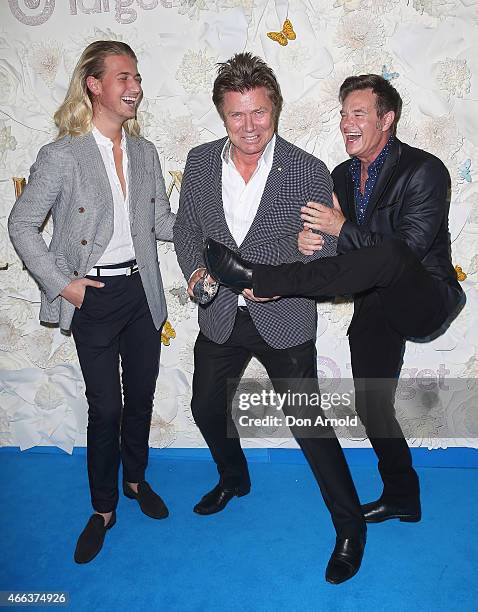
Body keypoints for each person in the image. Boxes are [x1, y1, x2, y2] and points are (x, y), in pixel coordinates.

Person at [204, 74, 464, 527]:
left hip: (425, 293)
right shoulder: (341, 175)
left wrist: (339, 229)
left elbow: (407, 250)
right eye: (343, 113)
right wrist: (311, 240)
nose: (346, 122)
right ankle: (404, 494)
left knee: (391, 252)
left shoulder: (424, 170)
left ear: (388, 119)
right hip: (375, 302)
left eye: (358, 113)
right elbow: (333, 250)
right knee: (371, 402)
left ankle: (267, 280)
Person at [174, 52, 366, 585]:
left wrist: (309, 250)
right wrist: (193, 273)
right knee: (205, 407)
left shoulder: (307, 169)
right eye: (238, 115)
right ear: (221, 113)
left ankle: (350, 527)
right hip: (220, 314)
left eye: (259, 112)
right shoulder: (198, 161)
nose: (250, 126)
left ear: (274, 108)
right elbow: (189, 228)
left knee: (309, 426)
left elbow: (328, 254)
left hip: (283, 320)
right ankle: (234, 478)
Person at [8, 41, 175, 564]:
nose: (136, 87)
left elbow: (162, 224)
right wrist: (64, 284)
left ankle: (135, 481)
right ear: (94, 85)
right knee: (107, 407)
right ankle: (103, 508)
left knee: (141, 398)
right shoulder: (62, 155)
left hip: (141, 292)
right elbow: (21, 225)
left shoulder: (146, 153)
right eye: (123, 77)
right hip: (94, 296)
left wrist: (214, 221)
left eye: (138, 77)